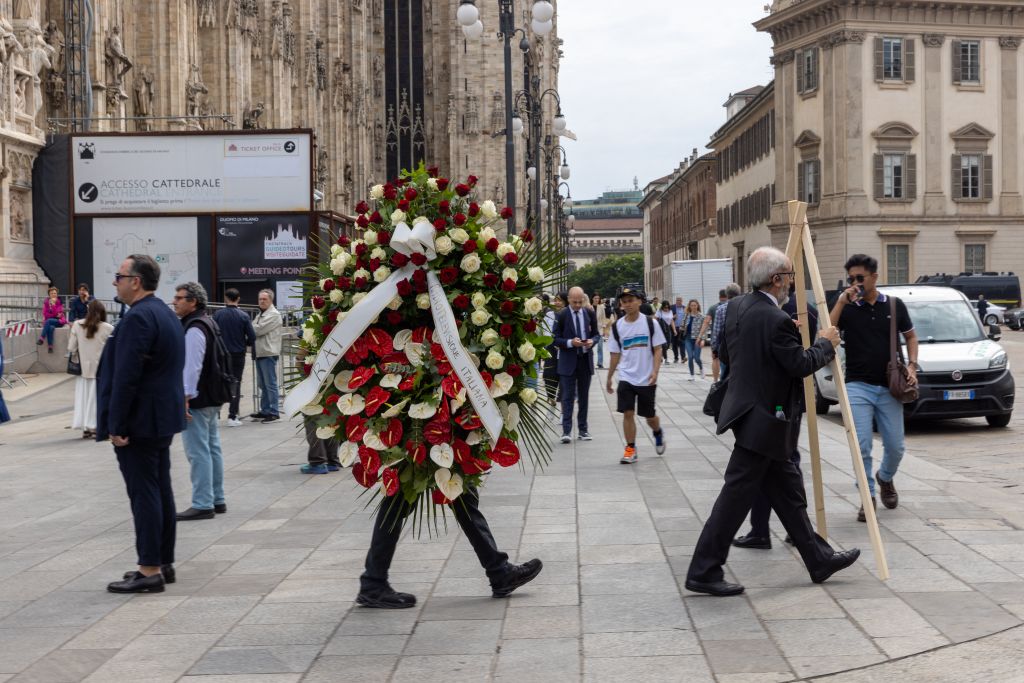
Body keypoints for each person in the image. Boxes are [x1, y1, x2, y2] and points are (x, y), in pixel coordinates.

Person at [685, 247, 860, 596]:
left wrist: (782, 334)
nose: (791, 285)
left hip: (748, 413)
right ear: (776, 279)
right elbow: (799, 365)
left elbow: (732, 347)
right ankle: (704, 570)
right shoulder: (774, 318)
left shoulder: (737, 307)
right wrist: (826, 344)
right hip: (766, 418)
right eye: (790, 277)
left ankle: (818, 558)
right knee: (735, 497)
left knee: (788, 493)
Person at [98, 254, 185, 593]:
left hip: (139, 422)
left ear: (135, 281)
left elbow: (126, 378)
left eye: (119, 276)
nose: (115, 282)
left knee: (145, 493)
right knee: (160, 489)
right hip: (160, 418)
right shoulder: (165, 313)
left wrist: (115, 425)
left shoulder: (138, 318)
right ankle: (163, 561)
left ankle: (149, 568)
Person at [831, 253, 918, 522]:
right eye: (851, 278)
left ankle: (885, 478)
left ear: (874, 277)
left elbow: (911, 336)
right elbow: (827, 331)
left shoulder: (893, 305)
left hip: (889, 386)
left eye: (860, 278)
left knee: (896, 446)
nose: (855, 283)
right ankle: (867, 498)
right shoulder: (847, 307)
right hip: (857, 385)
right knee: (862, 446)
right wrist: (840, 301)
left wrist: (913, 365)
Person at [733, 287, 818, 550]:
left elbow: (801, 360)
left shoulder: (798, 311)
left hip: (783, 401)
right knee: (775, 464)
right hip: (772, 400)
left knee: (784, 462)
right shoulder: (766, 310)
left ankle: (786, 530)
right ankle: (765, 530)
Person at [357, 491, 544, 608]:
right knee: (399, 497)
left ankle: (499, 572)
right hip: (417, 430)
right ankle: (373, 582)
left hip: (427, 429)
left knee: (460, 491)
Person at [173, 282, 228, 521]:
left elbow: (192, 366)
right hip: (212, 395)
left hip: (198, 397)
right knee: (212, 447)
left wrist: (185, 397)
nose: (175, 301)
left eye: (180, 297)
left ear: (193, 301)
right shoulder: (208, 321)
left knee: (198, 451)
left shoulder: (194, 327)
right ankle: (217, 498)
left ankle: (203, 502)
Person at [605, 286, 666, 464]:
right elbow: (615, 354)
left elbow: (657, 349)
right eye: (624, 302)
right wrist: (609, 377)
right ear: (620, 305)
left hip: (646, 378)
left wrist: (655, 371)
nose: (628, 304)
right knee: (628, 413)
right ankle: (630, 448)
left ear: (639, 301)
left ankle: (657, 431)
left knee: (649, 417)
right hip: (626, 377)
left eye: (631, 300)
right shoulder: (617, 327)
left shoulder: (650, 323)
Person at [552, 286, 599, 443]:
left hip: (585, 360)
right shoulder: (562, 315)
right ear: (569, 300)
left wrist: (592, 341)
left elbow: (597, 334)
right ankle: (566, 431)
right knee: (567, 397)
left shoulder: (589, 313)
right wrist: (571, 343)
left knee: (584, 397)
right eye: (575, 302)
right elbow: (555, 338)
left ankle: (583, 430)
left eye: (580, 302)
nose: (578, 305)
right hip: (568, 361)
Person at [68, 299, 113, 439]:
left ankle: (85, 428)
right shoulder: (108, 328)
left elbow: (71, 348)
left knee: (83, 399)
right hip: (101, 370)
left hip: (83, 370)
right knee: (96, 399)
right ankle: (94, 426)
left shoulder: (77, 325)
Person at [213, 288, 256, 427]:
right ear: (238, 299)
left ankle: (216, 414)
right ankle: (232, 415)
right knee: (236, 383)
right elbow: (252, 336)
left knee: (219, 382)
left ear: (226, 298)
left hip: (221, 354)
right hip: (238, 354)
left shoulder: (217, 315)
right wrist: (244, 343)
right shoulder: (243, 316)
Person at [252, 288, 283, 423]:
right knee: (262, 384)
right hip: (260, 352)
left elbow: (257, 330)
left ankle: (274, 411)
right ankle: (264, 410)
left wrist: (249, 328)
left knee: (270, 384)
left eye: (264, 299)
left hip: (268, 352)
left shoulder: (274, 314)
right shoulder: (261, 314)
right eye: (260, 299)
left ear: (271, 300)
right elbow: (253, 328)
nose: (262, 301)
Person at [709, 283, 743, 377]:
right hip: (741, 344)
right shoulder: (744, 307)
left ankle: (725, 388)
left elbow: (716, 330)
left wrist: (714, 348)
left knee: (725, 371)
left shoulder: (720, 309)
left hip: (726, 345)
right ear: (739, 293)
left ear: (727, 295)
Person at [697, 290, 727, 381]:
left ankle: (715, 381)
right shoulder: (732, 306)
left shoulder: (713, 308)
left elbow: (706, 322)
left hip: (716, 338)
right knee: (727, 359)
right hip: (729, 337)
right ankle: (725, 379)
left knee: (715, 358)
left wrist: (700, 336)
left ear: (719, 296)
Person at [542, 293, 564, 407]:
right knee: (549, 372)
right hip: (551, 347)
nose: (557, 302)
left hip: (564, 348)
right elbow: (545, 329)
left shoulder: (567, 315)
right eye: (556, 300)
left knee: (562, 373)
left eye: (560, 300)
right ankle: (550, 395)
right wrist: (550, 342)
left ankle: (561, 396)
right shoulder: (549, 314)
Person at [680, 299, 705, 381]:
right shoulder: (686, 315)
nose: (693, 307)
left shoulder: (701, 316)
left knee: (697, 358)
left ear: (697, 306)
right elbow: (682, 325)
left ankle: (701, 368)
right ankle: (692, 375)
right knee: (690, 357)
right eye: (692, 305)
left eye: (695, 305)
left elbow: (704, 329)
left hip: (697, 339)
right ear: (689, 306)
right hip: (688, 338)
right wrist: (682, 329)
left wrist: (703, 339)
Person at [37, 286, 66, 353]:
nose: (53, 294)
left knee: (48, 320)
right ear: (49, 295)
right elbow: (45, 314)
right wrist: (53, 314)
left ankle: (41, 338)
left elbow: (58, 314)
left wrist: (53, 306)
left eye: (55, 293)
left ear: (57, 294)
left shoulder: (59, 302)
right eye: (52, 293)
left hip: (59, 321)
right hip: (50, 322)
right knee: (51, 327)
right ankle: (50, 347)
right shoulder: (46, 303)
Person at [593, 293, 614, 369]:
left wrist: (604, 327)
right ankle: (590, 362)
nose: (596, 300)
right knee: (590, 348)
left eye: (598, 298)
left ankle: (600, 363)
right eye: (595, 298)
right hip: (590, 330)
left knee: (600, 347)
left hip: (599, 329)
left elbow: (603, 318)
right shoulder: (589, 307)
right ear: (592, 299)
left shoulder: (601, 307)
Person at [671, 296, 687, 364]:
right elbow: (668, 317)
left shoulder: (685, 308)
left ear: (682, 301)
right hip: (674, 327)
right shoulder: (672, 307)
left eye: (680, 300)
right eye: (677, 300)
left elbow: (687, 317)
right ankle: (676, 358)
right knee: (674, 344)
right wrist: (673, 317)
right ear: (675, 300)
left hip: (682, 328)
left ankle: (683, 358)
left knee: (682, 343)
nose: (678, 301)